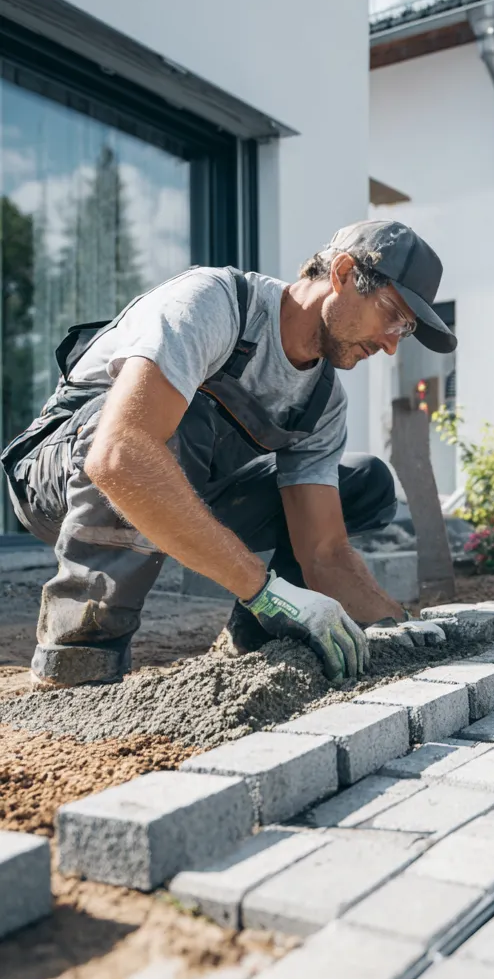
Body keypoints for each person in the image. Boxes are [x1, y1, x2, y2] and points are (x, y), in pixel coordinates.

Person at [2, 220, 455, 689]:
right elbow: (119, 454)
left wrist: (393, 625)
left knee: (363, 481)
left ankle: (258, 640)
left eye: (405, 328)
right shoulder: (213, 303)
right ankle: (79, 658)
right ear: (342, 273)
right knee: (172, 427)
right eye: (393, 316)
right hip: (61, 475)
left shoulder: (322, 402)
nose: (390, 344)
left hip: (181, 488)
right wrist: (264, 588)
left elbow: (324, 551)